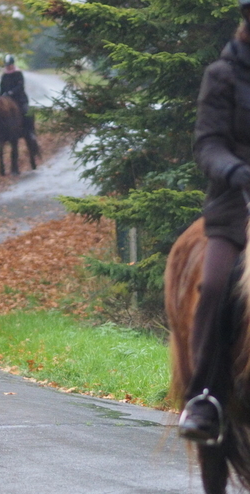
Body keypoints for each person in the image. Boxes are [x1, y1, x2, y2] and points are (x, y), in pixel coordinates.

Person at [178, 0, 250, 444]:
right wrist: (234, 170)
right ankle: (203, 395)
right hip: (235, 207)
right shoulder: (222, 75)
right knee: (216, 285)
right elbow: (207, 144)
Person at [0, 54, 33, 132]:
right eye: (7, 65)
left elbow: (20, 86)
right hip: (8, 100)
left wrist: (11, 92)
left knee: (27, 111)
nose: (8, 66)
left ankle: (30, 131)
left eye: (9, 65)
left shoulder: (18, 74)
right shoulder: (4, 76)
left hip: (19, 99)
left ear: (12, 64)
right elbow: (1, 88)